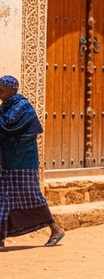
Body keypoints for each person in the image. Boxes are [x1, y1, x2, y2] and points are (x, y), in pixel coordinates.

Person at [0, 75, 65, 248]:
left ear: (12, 89)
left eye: (1, 88)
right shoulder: (5, 108)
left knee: (31, 196)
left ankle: (55, 229)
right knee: (3, 197)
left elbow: (12, 128)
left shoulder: (24, 107)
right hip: (8, 161)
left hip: (24, 161)